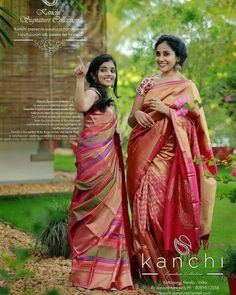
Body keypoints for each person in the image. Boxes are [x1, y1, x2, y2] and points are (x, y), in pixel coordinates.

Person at [127, 35, 217, 287]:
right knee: (141, 214)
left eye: (166, 54)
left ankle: (166, 274)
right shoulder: (147, 83)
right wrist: (137, 114)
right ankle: (148, 275)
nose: (160, 58)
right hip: (141, 155)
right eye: (157, 53)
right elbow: (131, 121)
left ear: (178, 57)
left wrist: (169, 112)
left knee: (158, 214)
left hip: (169, 159)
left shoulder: (188, 86)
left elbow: (195, 126)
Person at [68, 54, 134, 290]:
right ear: (94, 74)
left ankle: (102, 273)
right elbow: (80, 106)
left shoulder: (105, 97)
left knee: (106, 215)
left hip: (107, 163)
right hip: (95, 164)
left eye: (112, 70)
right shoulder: (94, 92)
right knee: (97, 214)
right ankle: (98, 274)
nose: (109, 74)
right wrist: (79, 80)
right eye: (104, 70)